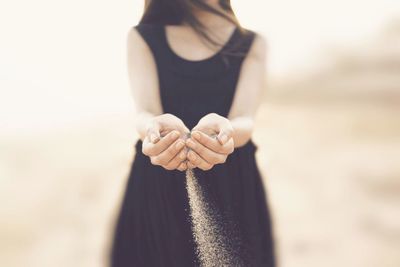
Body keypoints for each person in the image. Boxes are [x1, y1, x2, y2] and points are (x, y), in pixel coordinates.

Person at [109, 0, 276, 266]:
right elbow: (145, 111)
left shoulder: (251, 43)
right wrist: (153, 131)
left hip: (233, 183)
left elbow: (244, 117)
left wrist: (226, 133)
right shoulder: (143, 36)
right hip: (157, 178)